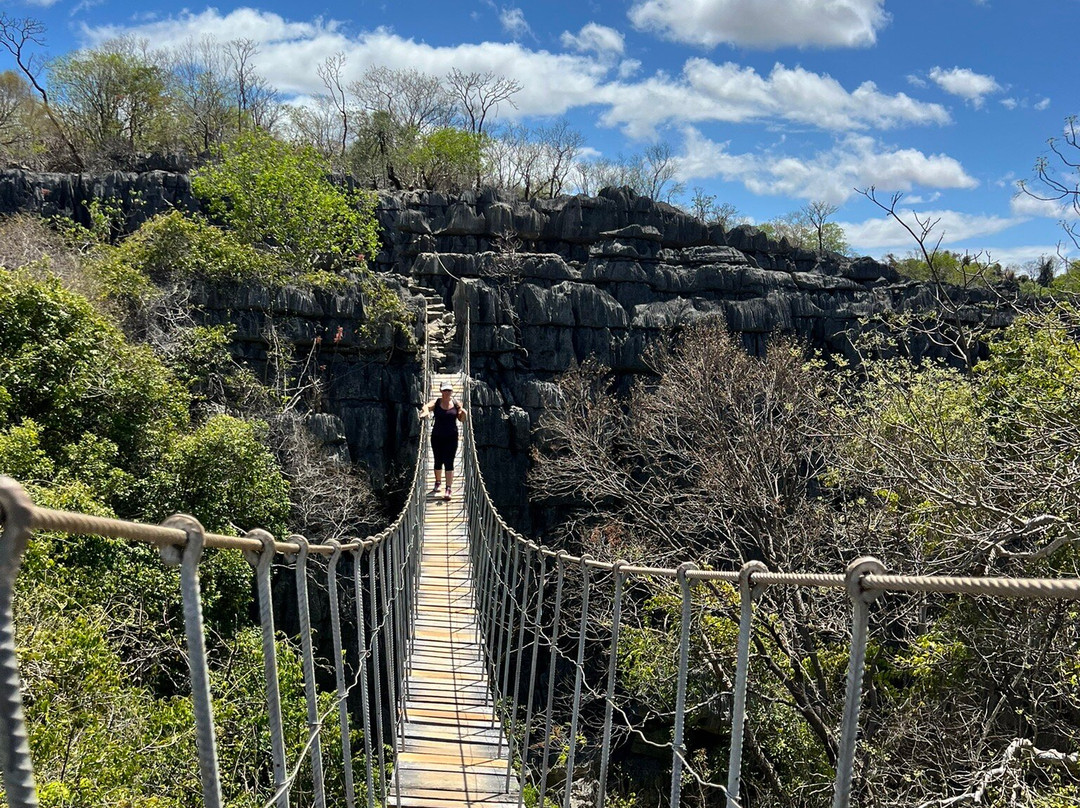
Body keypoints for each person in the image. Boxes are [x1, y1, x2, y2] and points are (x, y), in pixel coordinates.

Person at [419, 382, 467, 500]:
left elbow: (461, 419)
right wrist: (425, 412)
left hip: (451, 437)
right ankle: (438, 482)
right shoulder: (436, 402)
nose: (447, 392)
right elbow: (426, 407)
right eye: (445, 390)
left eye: (449, 390)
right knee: (438, 460)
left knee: (449, 462)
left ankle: (448, 488)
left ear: (451, 391)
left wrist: (464, 413)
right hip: (437, 436)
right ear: (441, 391)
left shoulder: (456, 404)